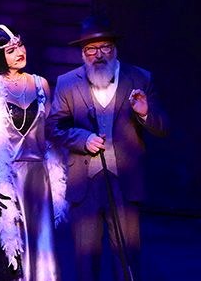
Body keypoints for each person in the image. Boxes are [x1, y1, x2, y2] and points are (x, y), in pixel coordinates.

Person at [45, 14, 169, 281]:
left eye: (105, 48)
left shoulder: (139, 78)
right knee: (86, 265)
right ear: (82, 52)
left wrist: (145, 113)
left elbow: (163, 126)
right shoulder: (68, 82)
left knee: (127, 261)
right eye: (91, 49)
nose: (98, 55)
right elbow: (53, 127)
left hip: (125, 183)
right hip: (85, 184)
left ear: (115, 48)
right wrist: (82, 139)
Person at [0, 24, 67, 281]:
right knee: (7, 259)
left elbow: (51, 132)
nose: (20, 52)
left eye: (20, 45)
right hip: (3, 180)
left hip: (37, 182)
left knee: (40, 253)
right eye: (11, 50)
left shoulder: (41, 85)